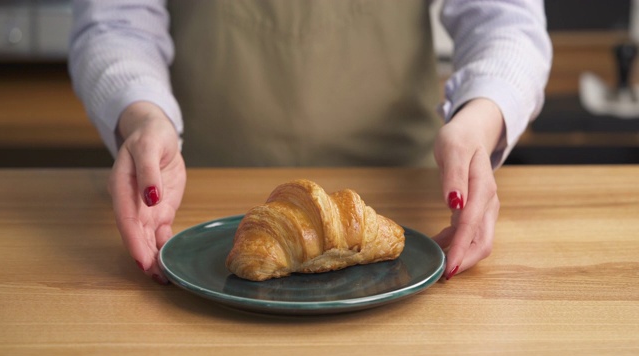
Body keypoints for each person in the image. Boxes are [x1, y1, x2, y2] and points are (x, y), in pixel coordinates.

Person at [69, 0, 552, 284]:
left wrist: (478, 120)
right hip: (190, 203)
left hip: (409, 198)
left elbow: (506, 17)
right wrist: (142, 117)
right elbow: (115, 20)